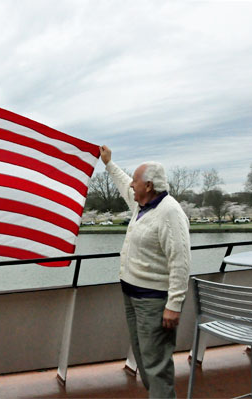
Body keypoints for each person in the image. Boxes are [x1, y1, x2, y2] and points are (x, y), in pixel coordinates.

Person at [100, 145, 190, 398]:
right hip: (133, 296)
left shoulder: (169, 212)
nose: (131, 185)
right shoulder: (143, 205)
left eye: (136, 181)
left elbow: (180, 261)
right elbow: (124, 184)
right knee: (144, 357)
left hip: (153, 300)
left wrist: (174, 305)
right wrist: (108, 163)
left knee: (156, 363)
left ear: (149, 185)